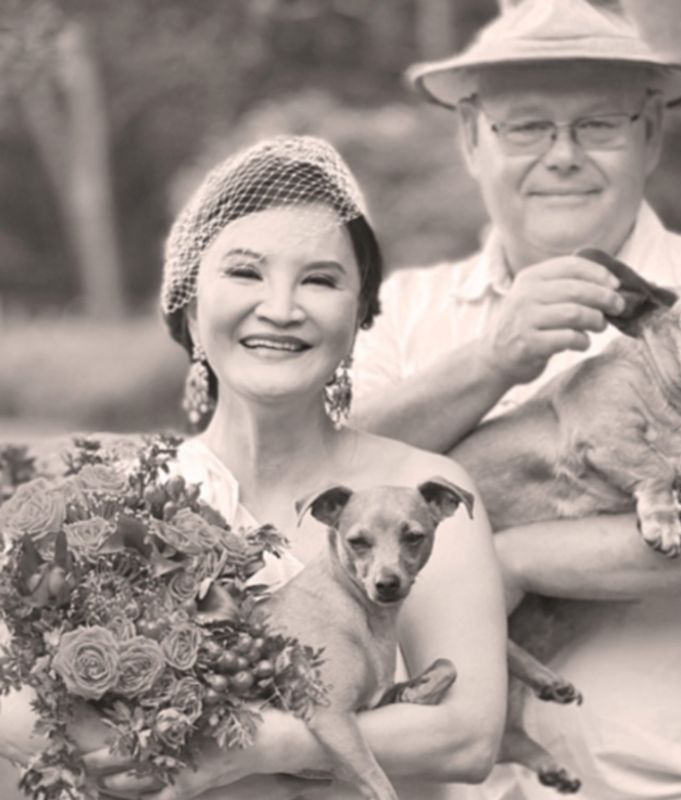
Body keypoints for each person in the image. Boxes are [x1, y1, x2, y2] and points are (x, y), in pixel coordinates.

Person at [350, 1, 681, 799]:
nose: (562, 155)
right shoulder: (398, 313)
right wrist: (491, 363)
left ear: (650, 133)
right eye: (526, 126)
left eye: (598, 124)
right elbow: (325, 478)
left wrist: (506, 561)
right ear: (471, 136)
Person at [0, 136, 508, 800]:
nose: (281, 308)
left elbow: (469, 737)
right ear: (190, 305)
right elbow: (15, 705)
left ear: (360, 314)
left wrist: (257, 747)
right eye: (245, 273)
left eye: (320, 280)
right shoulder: (117, 501)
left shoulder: (419, 489)